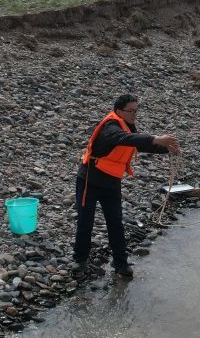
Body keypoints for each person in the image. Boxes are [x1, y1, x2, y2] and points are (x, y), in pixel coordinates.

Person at [73, 94, 180, 276]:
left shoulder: (127, 125)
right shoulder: (110, 126)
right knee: (85, 221)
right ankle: (80, 260)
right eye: (130, 111)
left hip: (112, 183)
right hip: (90, 180)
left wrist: (166, 149)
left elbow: (136, 144)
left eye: (136, 111)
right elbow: (124, 138)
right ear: (118, 111)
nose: (134, 114)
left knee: (116, 223)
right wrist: (155, 138)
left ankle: (121, 264)